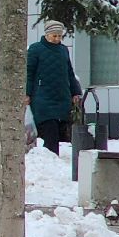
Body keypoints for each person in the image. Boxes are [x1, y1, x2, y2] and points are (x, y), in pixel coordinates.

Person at [26, 20, 82, 155]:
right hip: (42, 96)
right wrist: (27, 93)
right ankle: (51, 158)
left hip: (61, 96)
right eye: (54, 35)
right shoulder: (36, 49)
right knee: (50, 129)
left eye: (59, 36)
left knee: (60, 129)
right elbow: (28, 72)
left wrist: (75, 92)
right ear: (46, 34)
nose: (57, 39)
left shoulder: (63, 50)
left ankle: (54, 157)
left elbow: (69, 72)